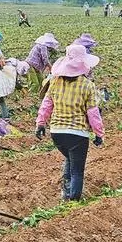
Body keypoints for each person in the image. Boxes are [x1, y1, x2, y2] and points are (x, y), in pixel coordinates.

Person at [35, 44, 104, 201]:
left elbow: (46, 105)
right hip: (77, 134)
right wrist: (99, 134)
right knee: (77, 171)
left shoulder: (55, 82)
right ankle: (73, 202)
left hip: (57, 133)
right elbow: (93, 113)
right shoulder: (88, 85)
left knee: (69, 159)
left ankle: (66, 195)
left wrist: (40, 123)